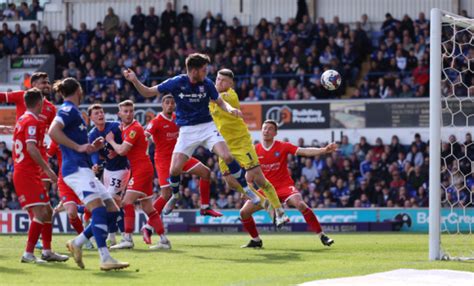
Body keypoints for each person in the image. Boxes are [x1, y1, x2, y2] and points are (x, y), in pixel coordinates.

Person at [123, 53, 290, 227]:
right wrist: (134, 80)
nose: (207, 73)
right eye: (204, 69)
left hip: (207, 127)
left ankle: (249, 190)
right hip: (187, 131)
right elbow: (148, 91)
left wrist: (231, 109)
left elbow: (221, 102)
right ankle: (175, 196)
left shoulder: (208, 84)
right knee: (174, 170)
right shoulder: (177, 82)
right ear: (194, 71)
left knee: (227, 156)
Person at [48, 77, 128, 271]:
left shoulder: (76, 113)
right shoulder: (68, 109)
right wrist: (78, 146)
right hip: (75, 169)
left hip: (83, 168)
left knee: (112, 210)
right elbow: (53, 131)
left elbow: (79, 147)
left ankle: (77, 242)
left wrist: (91, 148)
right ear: (78, 90)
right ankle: (105, 258)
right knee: (99, 209)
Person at [240, 120, 336, 248]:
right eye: (264, 128)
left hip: (284, 187)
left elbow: (304, 151)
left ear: (275, 133)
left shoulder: (283, 146)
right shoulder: (254, 150)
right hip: (266, 189)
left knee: (300, 204)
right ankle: (256, 240)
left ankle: (322, 235)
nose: (266, 131)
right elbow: (249, 173)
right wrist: (248, 188)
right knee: (243, 212)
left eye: (269, 129)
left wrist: (323, 150)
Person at [211, 69, 290, 224]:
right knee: (230, 181)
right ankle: (264, 202)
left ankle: (280, 211)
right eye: (218, 79)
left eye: (223, 80)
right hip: (224, 145)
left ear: (230, 84)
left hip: (241, 143)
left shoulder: (229, 95)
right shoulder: (212, 96)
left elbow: (218, 100)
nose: (219, 82)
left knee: (259, 179)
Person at [141, 95, 222, 244]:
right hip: (164, 162)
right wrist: (143, 150)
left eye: (172, 103)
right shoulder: (156, 122)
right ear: (162, 105)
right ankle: (147, 226)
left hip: (181, 156)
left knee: (206, 172)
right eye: (167, 103)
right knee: (166, 194)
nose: (170, 105)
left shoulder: (180, 118)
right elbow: (145, 135)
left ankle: (204, 207)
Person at [105, 100, 170, 250]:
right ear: (119, 114)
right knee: (148, 208)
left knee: (126, 203)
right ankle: (164, 240)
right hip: (142, 168)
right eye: (125, 111)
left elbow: (122, 151)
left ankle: (127, 238)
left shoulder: (134, 128)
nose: (128, 114)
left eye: (131, 111)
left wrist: (111, 142)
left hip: (141, 169)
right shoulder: (125, 127)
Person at [13, 88, 68, 264]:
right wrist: (47, 170)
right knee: (40, 212)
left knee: (48, 211)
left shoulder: (22, 119)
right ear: (40, 103)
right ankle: (28, 254)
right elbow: (30, 147)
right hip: (26, 174)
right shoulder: (32, 121)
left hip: (29, 173)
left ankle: (47, 251)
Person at [88, 104, 130, 246]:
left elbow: (128, 143)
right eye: (96, 113)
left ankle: (93, 234)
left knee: (109, 201)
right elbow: (94, 153)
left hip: (121, 169)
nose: (100, 115)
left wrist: (117, 151)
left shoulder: (115, 127)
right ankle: (114, 237)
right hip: (107, 171)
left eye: (101, 112)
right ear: (91, 118)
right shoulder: (92, 134)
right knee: (114, 205)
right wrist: (95, 164)